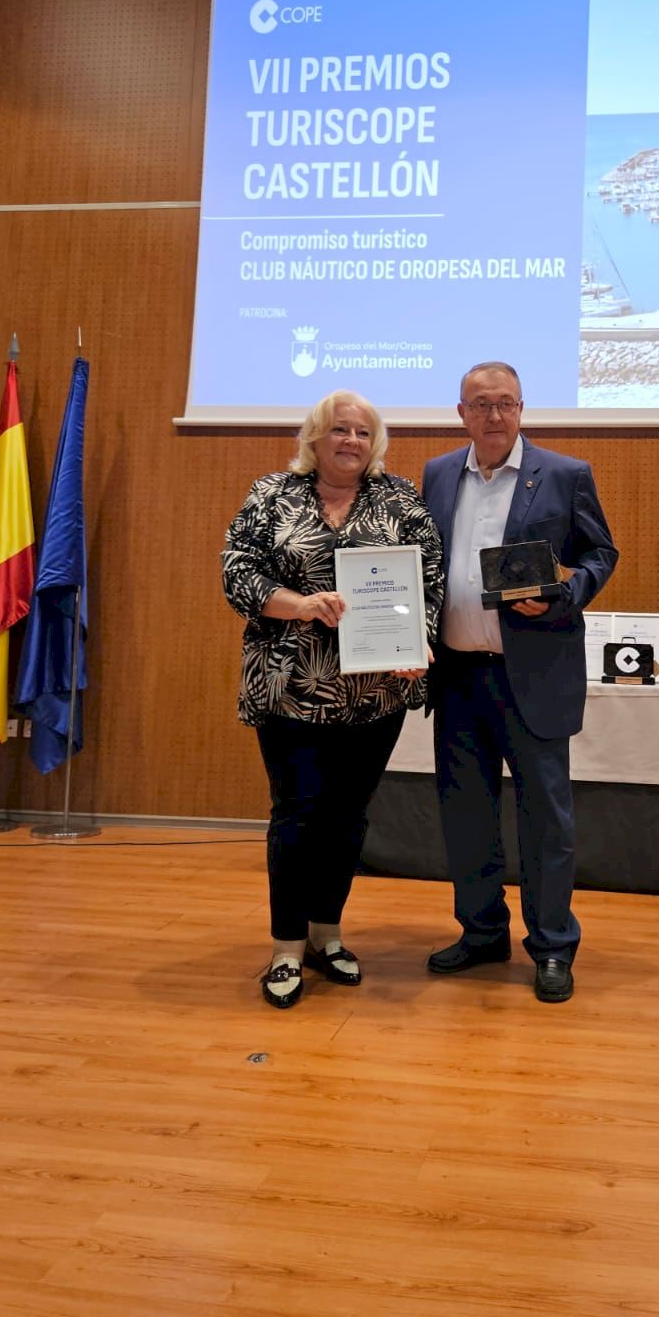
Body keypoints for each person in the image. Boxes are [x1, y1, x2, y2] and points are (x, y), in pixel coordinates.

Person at [222, 390, 443, 1008]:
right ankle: (286, 946)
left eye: (363, 433)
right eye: (340, 430)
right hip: (291, 687)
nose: (351, 441)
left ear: (376, 444)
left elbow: (430, 582)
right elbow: (237, 574)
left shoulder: (400, 500)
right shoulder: (272, 496)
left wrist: (417, 643)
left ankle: (327, 933)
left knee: (348, 817)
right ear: (315, 437)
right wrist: (300, 605)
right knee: (296, 813)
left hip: (375, 694)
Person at [422, 362, 618, 1003]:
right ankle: (481, 933)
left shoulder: (564, 474)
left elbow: (600, 554)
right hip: (457, 676)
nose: (494, 415)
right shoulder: (437, 474)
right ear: (461, 413)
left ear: (522, 408)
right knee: (465, 815)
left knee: (545, 820)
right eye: (481, 404)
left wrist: (565, 593)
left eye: (505, 403)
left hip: (532, 677)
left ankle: (553, 945)